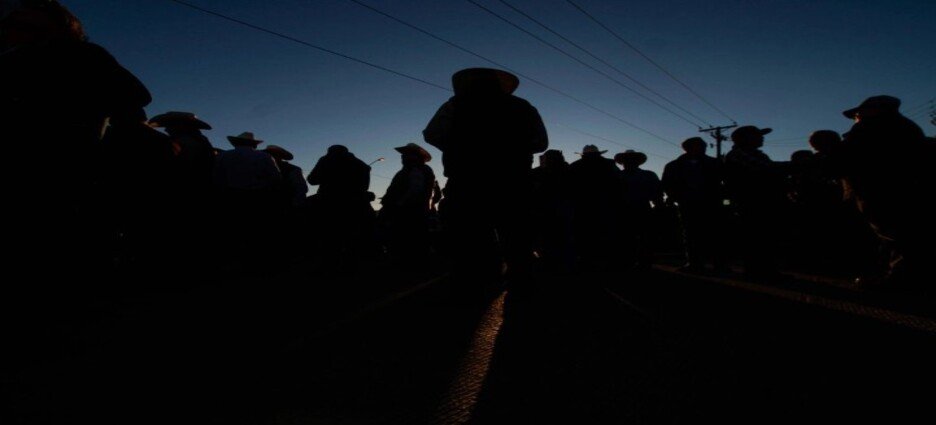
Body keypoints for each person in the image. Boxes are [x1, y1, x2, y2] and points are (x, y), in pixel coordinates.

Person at [2, 0, 151, 272]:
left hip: (62, 171)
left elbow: (135, 96)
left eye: (24, 24)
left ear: (56, 28)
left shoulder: (80, 55)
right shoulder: (14, 59)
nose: (13, 29)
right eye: (12, 23)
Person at [423, 68, 548, 286]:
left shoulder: (454, 104)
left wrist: (459, 149)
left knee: (473, 240)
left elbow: (432, 134)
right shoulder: (522, 106)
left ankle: (479, 285)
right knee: (517, 238)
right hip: (513, 182)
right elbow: (541, 143)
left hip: (467, 182)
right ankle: (522, 290)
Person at [835, 95, 933, 288]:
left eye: (857, 113)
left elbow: (843, 158)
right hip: (907, 189)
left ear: (875, 109)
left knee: (896, 236)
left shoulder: (869, 128)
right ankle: (899, 277)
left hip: (882, 192)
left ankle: (901, 283)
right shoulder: (907, 128)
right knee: (904, 235)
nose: (856, 117)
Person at [723, 126, 787, 279]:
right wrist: (798, 165)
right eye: (757, 135)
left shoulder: (754, 154)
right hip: (750, 201)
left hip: (760, 200)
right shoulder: (739, 154)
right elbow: (768, 169)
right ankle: (758, 272)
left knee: (765, 237)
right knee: (756, 237)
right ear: (745, 139)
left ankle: (767, 270)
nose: (762, 138)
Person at [662, 137, 725, 272]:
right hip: (688, 204)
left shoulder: (715, 163)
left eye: (703, 146)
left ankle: (719, 264)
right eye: (699, 146)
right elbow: (667, 183)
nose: (703, 148)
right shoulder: (674, 165)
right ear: (688, 148)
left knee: (715, 233)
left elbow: (725, 181)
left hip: (712, 203)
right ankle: (695, 263)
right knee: (691, 233)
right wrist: (675, 197)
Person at [306, 144, 374, 264]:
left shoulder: (326, 160)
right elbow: (364, 186)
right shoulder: (362, 165)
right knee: (356, 240)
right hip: (357, 206)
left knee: (330, 240)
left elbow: (312, 179)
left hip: (330, 205)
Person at [379, 143, 437, 267]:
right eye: (403, 155)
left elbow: (414, 191)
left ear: (415, 157)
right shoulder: (412, 170)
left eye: (406, 155)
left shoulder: (418, 170)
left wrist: (397, 206)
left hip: (408, 214)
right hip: (410, 212)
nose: (403, 158)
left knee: (407, 243)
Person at [568, 145, 622, 270]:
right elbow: (619, 182)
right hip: (604, 206)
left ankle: (588, 263)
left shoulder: (575, 166)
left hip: (584, 207)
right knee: (603, 235)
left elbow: (569, 187)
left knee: (585, 236)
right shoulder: (608, 165)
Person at [615, 150, 664, 270]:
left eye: (632, 160)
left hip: (640, 209)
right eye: (627, 160)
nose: (629, 163)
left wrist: (659, 206)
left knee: (643, 238)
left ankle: (642, 262)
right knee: (628, 238)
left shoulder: (648, 175)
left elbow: (657, 193)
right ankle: (631, 262)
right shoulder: (617, 176)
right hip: (624, 210)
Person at [531, 149, 574, 273]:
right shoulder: (569, 171)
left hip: (546, 216)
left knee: (548, 245)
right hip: (561, 215)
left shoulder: (538, 173)